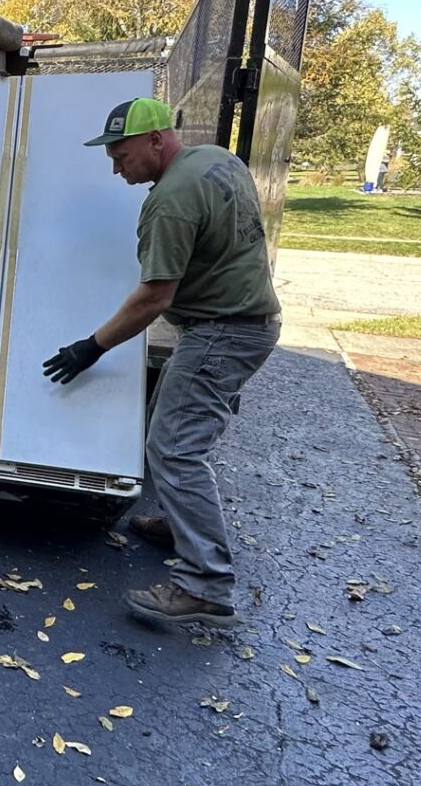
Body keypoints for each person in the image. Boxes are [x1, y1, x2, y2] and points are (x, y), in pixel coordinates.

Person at [42, 97, 281, 627]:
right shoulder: (219, 159)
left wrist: (91, 347)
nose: (114, 166)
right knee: (184, 436)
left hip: (222, 331)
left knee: (172, 449)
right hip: (249, 324)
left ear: (155, 140)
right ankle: (183, 523)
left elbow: (154, 298)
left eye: (121, 154)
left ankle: (206, 586)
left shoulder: (169, 201)